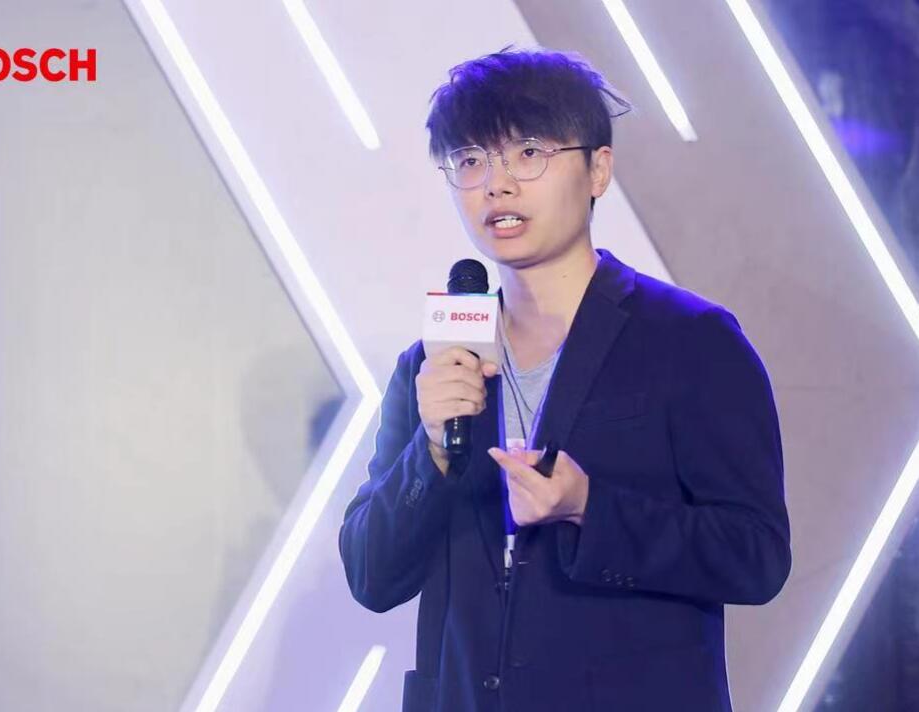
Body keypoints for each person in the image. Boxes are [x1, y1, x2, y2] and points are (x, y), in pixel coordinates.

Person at [338, 47, 791, 712]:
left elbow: (756, 556)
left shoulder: (690, 340)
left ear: (598, 169)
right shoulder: (433, 365)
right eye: (470, 161)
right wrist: (430, 451)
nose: (497, 185)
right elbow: (371, 575)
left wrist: (589, 508)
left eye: (528, 153)